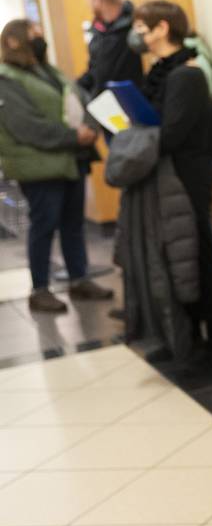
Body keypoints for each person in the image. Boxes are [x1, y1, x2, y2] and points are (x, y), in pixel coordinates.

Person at [131, 0, 212, 366]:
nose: (139, 37)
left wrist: (141, 138)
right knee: (177, 254)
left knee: (200, 255)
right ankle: (186, 333)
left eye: (144, 30)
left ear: (163, 28)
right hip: (166, 174)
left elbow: (173, 132)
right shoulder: (162, 71)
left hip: (186, 174)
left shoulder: (188, 74)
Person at [0, 19, 113, 314]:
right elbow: (25, 126)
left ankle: (79, 278)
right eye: (33, 33)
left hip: (70, 158)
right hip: (39, 164)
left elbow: (78, 97)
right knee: (44, 225)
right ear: (12, 41)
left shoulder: (47, 70)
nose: (40, 37)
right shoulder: (6, 77)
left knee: (72, 224)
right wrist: (73, 136)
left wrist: (89, 126)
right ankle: (39, 289)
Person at [75, 0, 143, 98]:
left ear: (97, 0)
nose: (88, 6)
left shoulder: (134, 26)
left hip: (128, 99)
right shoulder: (97, 30)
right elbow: (94, 69)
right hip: (101, 101)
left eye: (88, 0)